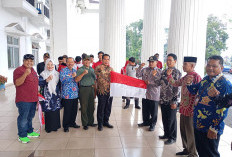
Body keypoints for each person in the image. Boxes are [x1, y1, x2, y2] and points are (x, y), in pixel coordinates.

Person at [186, 55, 232, 157]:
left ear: (221, 68)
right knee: (202, 151)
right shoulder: (206, 79)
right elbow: (195, 90)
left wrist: (214, 127)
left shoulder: (225, 84)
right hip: (199, 122)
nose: (210, 68)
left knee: (211, 153)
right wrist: (189, 84)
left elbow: (223, 108)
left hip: (210, 127)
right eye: (208, 65)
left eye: (214, 66)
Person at [166, 57, 201, 156]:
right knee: (183, 130)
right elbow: (176, 83)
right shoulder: (186, 76)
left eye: (185, 64)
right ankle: (186, 149)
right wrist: (169, 76)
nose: (183, 66)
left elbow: (199, 94)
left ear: (192, 65)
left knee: (190, 132)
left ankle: (193, 153)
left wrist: (195, 109)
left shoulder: (196, 77)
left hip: (191, 110)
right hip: (183, 108)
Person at [13, 54, 40, 143]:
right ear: (23, 61)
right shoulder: (18, 70)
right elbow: (17, 83)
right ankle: (22, 135)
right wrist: (25, 74)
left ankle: (29, 131)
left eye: (31, 61)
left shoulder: (33, 70)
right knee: (23, 117)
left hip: (33, 99)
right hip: (23, 99)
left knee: (30, 116)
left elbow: (35, 83)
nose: (29, 62)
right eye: (27, 60)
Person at [159, 53, 181, 145]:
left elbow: (177, 88)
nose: (168, 62)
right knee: (164, 118)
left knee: (171, 120)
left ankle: (172, 137)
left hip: (172, 100)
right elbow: (159, 83)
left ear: (175, 61)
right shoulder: (163, 71)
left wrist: (175, 101)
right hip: (163, 99)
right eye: (167, 60)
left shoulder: (177, 73)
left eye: (170, 60)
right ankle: (166, 134)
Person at [136, 56, 162, 131]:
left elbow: (159, 83)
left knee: (153, 111)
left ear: (156, 62)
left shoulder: (159, 71)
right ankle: (145, 122)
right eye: (150, 62)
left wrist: (150, 82)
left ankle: (152, 124)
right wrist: (140, 67)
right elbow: (138, 75)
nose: (150, 63)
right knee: (145, 109)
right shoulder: (145, 70)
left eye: (152, 62)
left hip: (154, 94)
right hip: (145, 93)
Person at [39, 59, 61, 133]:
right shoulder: (43, 74)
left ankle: (55, 126)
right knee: (48, 111)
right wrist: (47, 80)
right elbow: (40, 84)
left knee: (55, 110)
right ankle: (48, 127)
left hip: (55, 94)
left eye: (51, 65)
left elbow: (59, 84)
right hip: (47, 94)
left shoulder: (57, 74)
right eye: (48, 64)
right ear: (46, 65)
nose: (50, 66)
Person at [76, 55, 97, 130]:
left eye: (88, 60)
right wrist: (83, 73)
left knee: (91, 107)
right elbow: (77, 80)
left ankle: (90, 122)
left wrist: (95, 89)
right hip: (84, 89)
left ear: (90, 61)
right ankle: (85, 124)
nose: (87, 62)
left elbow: (94, 79)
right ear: (83, 61)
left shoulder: (92, 69)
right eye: (85, 60)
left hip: (91, 88)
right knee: (84, 107)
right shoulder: (80, 69)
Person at [60, 57, 80, 132]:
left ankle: (72, 123)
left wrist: (76, 77)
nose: (70, 63)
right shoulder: (63, 70)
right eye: (68, 62)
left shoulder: (75, 70)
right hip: (67, 94)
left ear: (74, 63)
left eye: (71, 62)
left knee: (74, 110)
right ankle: (66, 125)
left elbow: (77, 81)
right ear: (66, 63)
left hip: (75, 94)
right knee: (67, 111)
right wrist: (72, 76)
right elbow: (62, 80)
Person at [95, 54, 114, 131]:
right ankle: (100, 123)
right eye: (105, 59)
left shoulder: (111, 69)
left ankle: (106, 121)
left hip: (110, 91)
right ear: (102, 60)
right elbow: (99, 77)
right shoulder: (98, 68)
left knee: (108, 107)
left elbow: (114, 79)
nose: (106, 61)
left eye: (108, 59)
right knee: (101, 108)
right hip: (102, 91)